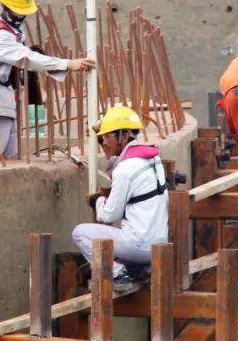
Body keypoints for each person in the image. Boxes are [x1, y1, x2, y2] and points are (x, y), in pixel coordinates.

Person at [0, 0, 94, 165]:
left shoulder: (12, 32)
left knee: (8, 163)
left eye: (23, 13)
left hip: (6, 107)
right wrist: (66, 64)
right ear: (4, 7)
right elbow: (26, 58)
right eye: (17, 13)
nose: (20, 17)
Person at [72, 106, 169, 284]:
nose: (103, 142)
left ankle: (116, 274)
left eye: (107, 136)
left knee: (80, 233)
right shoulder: (153, 159)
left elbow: (108, 215)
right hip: (159, 246)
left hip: (138, 246)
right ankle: (139, 269)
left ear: (123, 136)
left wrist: (97, 200)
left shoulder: (125, 168)